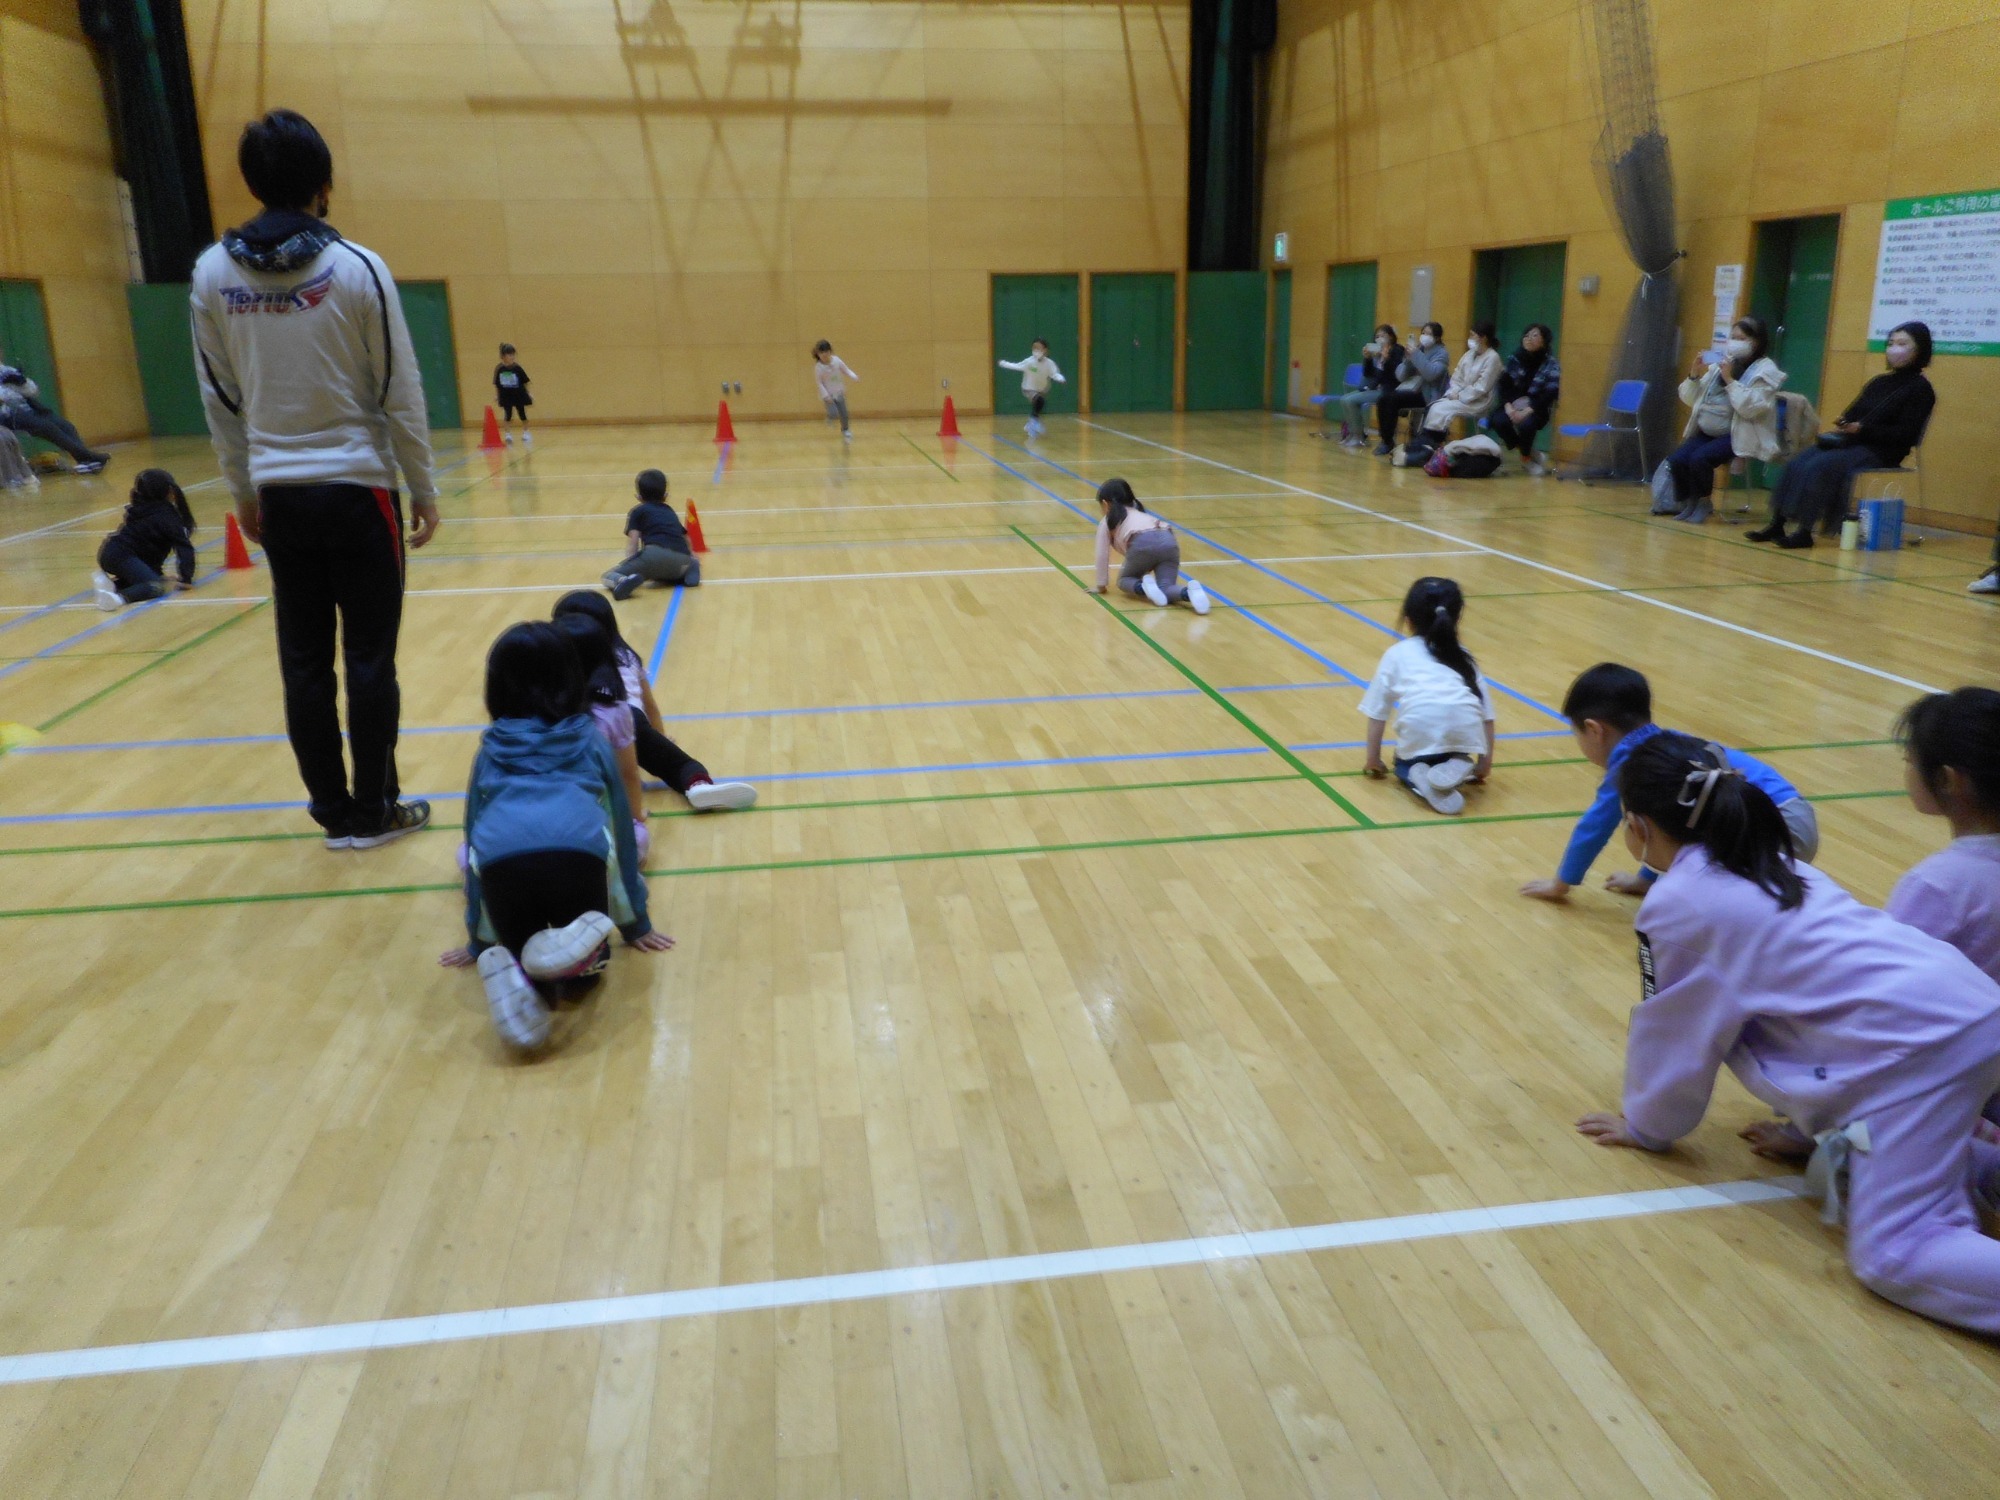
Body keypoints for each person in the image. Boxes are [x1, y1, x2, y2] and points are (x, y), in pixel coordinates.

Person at [1575, 732, 2000, 1337]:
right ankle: (1979, 1166)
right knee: (1883, 1134)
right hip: (1964, 1011)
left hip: (1922, 1048)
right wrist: (1813, 1130)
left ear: (1637, 826)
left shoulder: (1681, 902)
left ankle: (1959, 1169)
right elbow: (1797, 1015)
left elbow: (1670, 1029)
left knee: (1896, 1252)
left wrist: (1648, 1125)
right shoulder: (1770, 859)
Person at [190, 108, 439, 852]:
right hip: (360, 491)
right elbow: (400, 387)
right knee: (369, 658)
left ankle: (332, 812)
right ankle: (376, 807)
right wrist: (422, 485)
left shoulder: (211, 274)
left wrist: (243, 494)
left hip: (280, 496)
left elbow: (220, 399)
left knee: (302, 659)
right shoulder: (358, 268)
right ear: (323, 184)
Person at [439, 622, 671, 1051]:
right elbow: (621, 827)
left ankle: (520, 964)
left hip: (502, 864)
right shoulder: (589, 737)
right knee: (590, 973)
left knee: (519, 953)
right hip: (575, 856)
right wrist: (635, 922)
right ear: (571, 677)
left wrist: (476, 938)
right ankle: (565, 958)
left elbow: (472, 837)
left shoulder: (490, 747)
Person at [1520, 662, 1815, 902]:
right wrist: (1645, 879)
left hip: (1775, 827)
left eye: (1577, 735)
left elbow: (1595, 825)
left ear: (1594, 730)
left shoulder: (1631, 764)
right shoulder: (1663, 744)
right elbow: (1673, 829)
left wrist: (1561, 883)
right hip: (1794, 817)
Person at [551, 591, 757, 811]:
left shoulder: (558, 663)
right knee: (681, 765)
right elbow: (650, 705)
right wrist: (659, 737)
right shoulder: (627, 657)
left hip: (576, 728)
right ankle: (698, 785)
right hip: (628, 721)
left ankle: (597, 790)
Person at [1747, 321, 1935, 550]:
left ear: (1919, 349)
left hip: (1882, 451)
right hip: (1852, 442)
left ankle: (1804, 531)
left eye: (1902, 343)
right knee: (1797, 462)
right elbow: (1854, 411)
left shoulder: (1922, 390)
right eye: (1891, 343)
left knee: (1819, 466)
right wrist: (1846, 422)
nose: (1894, 348)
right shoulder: (1879, 382)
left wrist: (1864, 430)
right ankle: (1777, 523)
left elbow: (1907, 434)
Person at [1887, 689, 2000, 983]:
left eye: (1909, 759)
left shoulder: (1939, 885)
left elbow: (1888, 981)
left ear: (1947, 780)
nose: (1908, 770)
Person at [1359, 577, 1495, 815]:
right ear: (1457, 618)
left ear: (1408, 620)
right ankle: (1458, 762)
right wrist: (1484, 763)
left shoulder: (1396, 654)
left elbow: (1377, 713)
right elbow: (1487, 715)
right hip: (1465, 728)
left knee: (1404, 762)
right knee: (1455, 746)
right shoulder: (1463, 655)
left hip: (1420, 726)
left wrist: (1373, 760)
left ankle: (1414, 776)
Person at [553, 610, 651, 861]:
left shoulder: (531, 710)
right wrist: (637, 818)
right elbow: (629, 774)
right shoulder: (614, 711)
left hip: (528, 822)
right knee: (636, 839)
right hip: (582, 828)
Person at [1665, 317, 1784, 524]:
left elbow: (1750, 408)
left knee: (1700, 459)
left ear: (1755, 342)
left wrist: (1729, 380)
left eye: (1742, 338)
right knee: (1677, 460)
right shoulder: (1722, 362)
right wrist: (1694, 374)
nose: (1735, 342)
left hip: (1737, 432)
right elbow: (1690, 399)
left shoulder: (1766, 370)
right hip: (1706, 430)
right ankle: (1688, 502)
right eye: (1733, 337)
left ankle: (1704, 503)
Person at [1091, 477, 1209, 615]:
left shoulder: (1107, 521)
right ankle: (1189, 592)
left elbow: (1102, 554)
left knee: (1124, 580)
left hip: (1141, 543)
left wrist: (1101, 585)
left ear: (1105, 504)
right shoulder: (1141, 513)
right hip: (1169, 540)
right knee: (1165, 588)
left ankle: (1143, 587)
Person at [91, 469, 197, 610]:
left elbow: (147, 546)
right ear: (168, 491)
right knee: (155, 586)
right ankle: (118, 599)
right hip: (123, 555)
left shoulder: (141, 507)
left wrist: (157, 573)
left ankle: (110, 585)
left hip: (109, 552)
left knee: (147, 579)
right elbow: (184, 548)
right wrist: (186, 578)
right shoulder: (167, 516)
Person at [0, 350, 108, 473]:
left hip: (29, 410)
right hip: (8, 414)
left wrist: (23, 383)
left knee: (66, 426)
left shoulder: (7, 370)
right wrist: (6, 389)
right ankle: (88, 456)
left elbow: (33, 391)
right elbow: (3, 398)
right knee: (47, 427)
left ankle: (85, 462)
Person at [601, 468, 699, 600]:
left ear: (639, 497)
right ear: (665, 496)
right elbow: (685, 537)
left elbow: (633, 544)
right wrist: (692, 558)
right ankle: (689, 570)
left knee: (608, 575)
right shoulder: (670, 511)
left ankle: (621, 581)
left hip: (652, 555)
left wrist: (631, 564)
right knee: (685, 565)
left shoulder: (638, 512)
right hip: (682, 559)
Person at [1412, 322, 1502, 453]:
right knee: (1434, 406)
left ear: (1483, 338)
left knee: (1440, 409)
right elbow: (1456, 376)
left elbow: (1482, 387)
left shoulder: (1493, 358)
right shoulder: (1469, 354)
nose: (1470, 338)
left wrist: (1460, 396)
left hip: (1477, 400)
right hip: (1458, 395)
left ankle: (1431, 443)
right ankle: (1429, 442)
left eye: (1473, 335)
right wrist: (1454, 392)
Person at [1488, 325, 1561, 476]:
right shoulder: (1515, 359)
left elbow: (1550, 393)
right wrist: (1509, 406)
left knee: (1527, 424)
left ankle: (1526, 459)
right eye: (1526, 335)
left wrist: (1528, 410)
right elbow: (1503, 385)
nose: (1529, 339)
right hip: (1512, 404)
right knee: (1498, 420)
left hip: (1535, 407)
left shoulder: (1551, 364)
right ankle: (1527, 452)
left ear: (1544, 341)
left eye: (1535, 336)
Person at [1376, 322, 1448, 455]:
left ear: (1437, 338)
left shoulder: (1442, 354)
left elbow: (1431, 374)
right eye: (1423, 333)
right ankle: (1387, 440)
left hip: (1428, 394)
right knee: (1384, 398)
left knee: (1393, 399)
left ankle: (1392, 441)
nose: (1424, 336)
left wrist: (1416, 355)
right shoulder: (1419, 349)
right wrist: (1408, 360)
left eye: (1428, 334)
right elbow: (1400, 376)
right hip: (1413, 389)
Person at [1335, 325, 1403, 447]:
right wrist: (1367, 359)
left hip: (1389, 390)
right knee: (1344, 399)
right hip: (1375, 388)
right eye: (1377, 336)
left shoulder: (1397, 351)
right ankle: (1352, 434)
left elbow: (1395, 375)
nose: (1380, 338)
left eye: (1383, 335)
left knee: (1351, 401)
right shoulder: (1377, 352)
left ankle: (1358, 436)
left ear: (1391, 337)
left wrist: (1386, 359)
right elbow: (1368, 374)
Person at [999, 339, 1065, 437]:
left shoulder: (1049, 363)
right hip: (1028, 388)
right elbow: (1017, 366)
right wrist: (1003, 363)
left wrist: (1061, 378)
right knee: (1040, 401)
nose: (1036, 350)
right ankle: (1033, 422)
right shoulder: (1029, 362)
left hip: (1042, 389)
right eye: (1034, 347)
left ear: (1045, 350)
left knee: (1039, 404)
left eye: (1039, 348)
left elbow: (1054, 374)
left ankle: (1032, 423)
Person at [812, 340, 858, 440]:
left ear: (830, 352)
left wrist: (853, 375)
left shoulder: (837, 361)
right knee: (833, 413)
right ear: (818, 354)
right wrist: (826, 396)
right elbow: (819, 383)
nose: (824, 355)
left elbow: (845, 370)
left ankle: (845, 430)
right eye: (821, 353)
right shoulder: (818, 368)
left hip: (839, 392)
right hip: (828, 395)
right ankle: (829, 418)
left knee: (844, 413)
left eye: (826, 352)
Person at [493, 343, 531, 444]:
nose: (512, 357)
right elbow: (497, 384)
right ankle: (508, 434)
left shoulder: (517, 368)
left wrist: (528, 393)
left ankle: (526, 432)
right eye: (510, 355)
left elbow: (525, 381)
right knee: (508, 414)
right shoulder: (500, 369)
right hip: (506, 395)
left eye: (513, 354)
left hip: (518, 394)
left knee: (522, 413)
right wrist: (497, 395)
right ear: (503, 356)